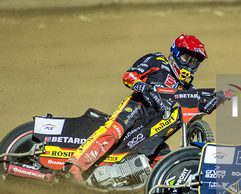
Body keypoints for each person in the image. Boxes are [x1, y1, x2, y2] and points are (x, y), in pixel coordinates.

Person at [61, 34, 209, 182]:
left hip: (154, 122)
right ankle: (74, 168)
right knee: (114, 130)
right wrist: (142, 85)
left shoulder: (187, 87)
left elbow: (193, 110)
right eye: (186, 59)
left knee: (163, 156)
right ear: (175, 53)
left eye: (194, 61)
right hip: (137, 106)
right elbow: (128, 76)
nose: (189, 65)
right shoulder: (157, 60)